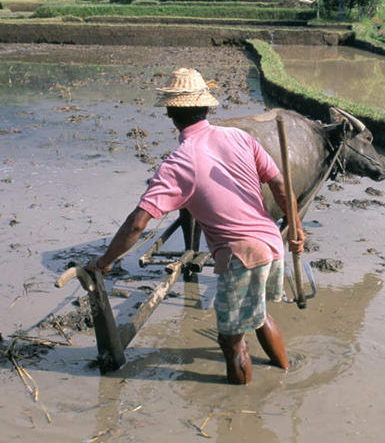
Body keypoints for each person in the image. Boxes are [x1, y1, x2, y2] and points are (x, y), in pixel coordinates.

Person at [85, 67, 304, 384]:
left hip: (242, 256)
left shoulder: (177, 164)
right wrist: (295, 226)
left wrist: (104, 261)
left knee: (231, 341)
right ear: (206, 107)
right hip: (271, 242)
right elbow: (281, 186)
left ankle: (240, 417)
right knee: (258, 315)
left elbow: (137, 224)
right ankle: (285, 375)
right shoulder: (240, 137)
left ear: (170, 112)